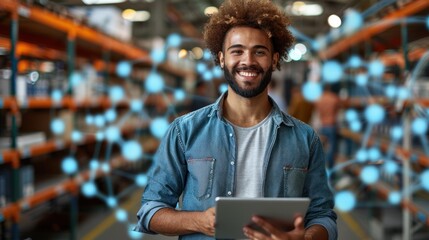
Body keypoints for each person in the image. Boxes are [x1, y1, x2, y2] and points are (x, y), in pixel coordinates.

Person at [134, 0, 337, 239]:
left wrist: (304, 238)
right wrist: (199, 222)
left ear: (274, 59)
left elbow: (323, 217)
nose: (248, 61)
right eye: (237, 51)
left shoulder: (305, 138)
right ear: (221, 58)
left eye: (259, 51)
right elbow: (150, 211)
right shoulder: (184, 131)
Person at [315, 84, 341, 170]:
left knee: (323, 150)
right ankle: (330, 170)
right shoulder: (334, 98)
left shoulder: (319, 99)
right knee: (332, 150)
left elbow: (318, 112)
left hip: (322, 126)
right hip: (331, 125)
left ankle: (322, 169)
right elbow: (338, 111)